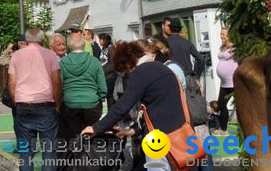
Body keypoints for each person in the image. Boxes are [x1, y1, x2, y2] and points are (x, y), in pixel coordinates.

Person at [81, 40, 193, 168]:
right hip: (179, 132)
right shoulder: (160, 67)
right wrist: (132, 131)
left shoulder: (141, 72)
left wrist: (96, 128)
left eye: (125, 71)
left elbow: (121, 107)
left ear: (128, 64)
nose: (128, 74)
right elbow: (158, 108)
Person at [8, 27, 61, 171]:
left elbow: (12, 83)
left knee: (26, 152)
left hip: (23, 105)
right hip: (45, 105)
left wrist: (16, 102)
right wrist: (58, 103)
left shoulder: (16, 56)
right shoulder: (50, 55)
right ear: (42, 40)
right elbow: (56, 82)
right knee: (49, 150)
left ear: (26, 40)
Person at [58, 32, 106, 160]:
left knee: (72, 139)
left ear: (69, 46)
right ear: (84, 45)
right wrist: (99, 97)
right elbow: (102, 87)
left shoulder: (63, 62)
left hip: (70, 103)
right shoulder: (94, 61)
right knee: (92, 137)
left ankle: (74, 163)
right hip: (91, 103)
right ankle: (92, 163)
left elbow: (59, 84)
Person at [161, 16, 203, 84]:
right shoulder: (186, 42)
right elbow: (201, 59)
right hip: (188, 77)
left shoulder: (165, 43)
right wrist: (197, 75)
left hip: (172, 77)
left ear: (170, 28)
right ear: (180, 29)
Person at [215, 28, 237, 133]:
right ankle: (223, 128)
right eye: (221, 34)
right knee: (221, 104)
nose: (222, 36)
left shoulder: (234, 47)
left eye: (224, 34)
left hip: (233, 82)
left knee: (239, 105)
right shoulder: (222, 47)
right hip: (224, 83)